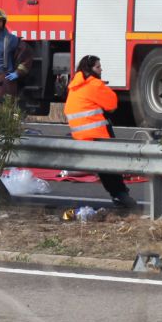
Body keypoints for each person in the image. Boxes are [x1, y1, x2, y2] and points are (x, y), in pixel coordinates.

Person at [63, 55, 136, 209]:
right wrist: (103, 88)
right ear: (89, 69)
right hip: (97, 135)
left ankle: (119, 195)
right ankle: (121, 195)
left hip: (81, 136)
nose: (101, 69)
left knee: (104, 168)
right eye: (98, 67)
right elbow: (112, 104)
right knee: (111, 166)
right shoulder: (94, 84)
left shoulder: (75, 85)